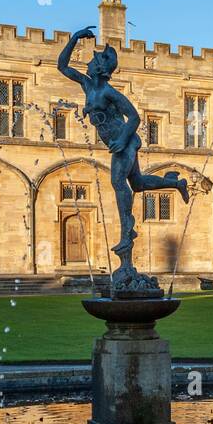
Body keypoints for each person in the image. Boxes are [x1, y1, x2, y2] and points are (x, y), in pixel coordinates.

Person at [56, 27, 188, 262]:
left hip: (124, 144)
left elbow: (135, 117)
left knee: (117, 181)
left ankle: (128, 231)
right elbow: (62, 66)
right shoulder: (87, 85)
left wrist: (122, 139)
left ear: (99, 68)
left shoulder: (108, 92)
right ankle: (175, 183)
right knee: (136, 184)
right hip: (118, 143)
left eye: (93, 60)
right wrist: (75, 38)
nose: (88, 62)